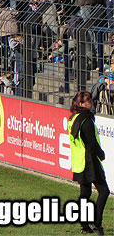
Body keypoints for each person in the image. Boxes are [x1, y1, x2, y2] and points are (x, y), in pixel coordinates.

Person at [68, 91, 109, 234]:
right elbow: (92, 143)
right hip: (89, 161)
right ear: (81, 104)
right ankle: (96, 222)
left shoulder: (73, 118)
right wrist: (101, 154)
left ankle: (84, 225)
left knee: (85, 193)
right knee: (104, 191)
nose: (91, 103)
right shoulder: (86, 120)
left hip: (79, 161)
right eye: (88, 101)